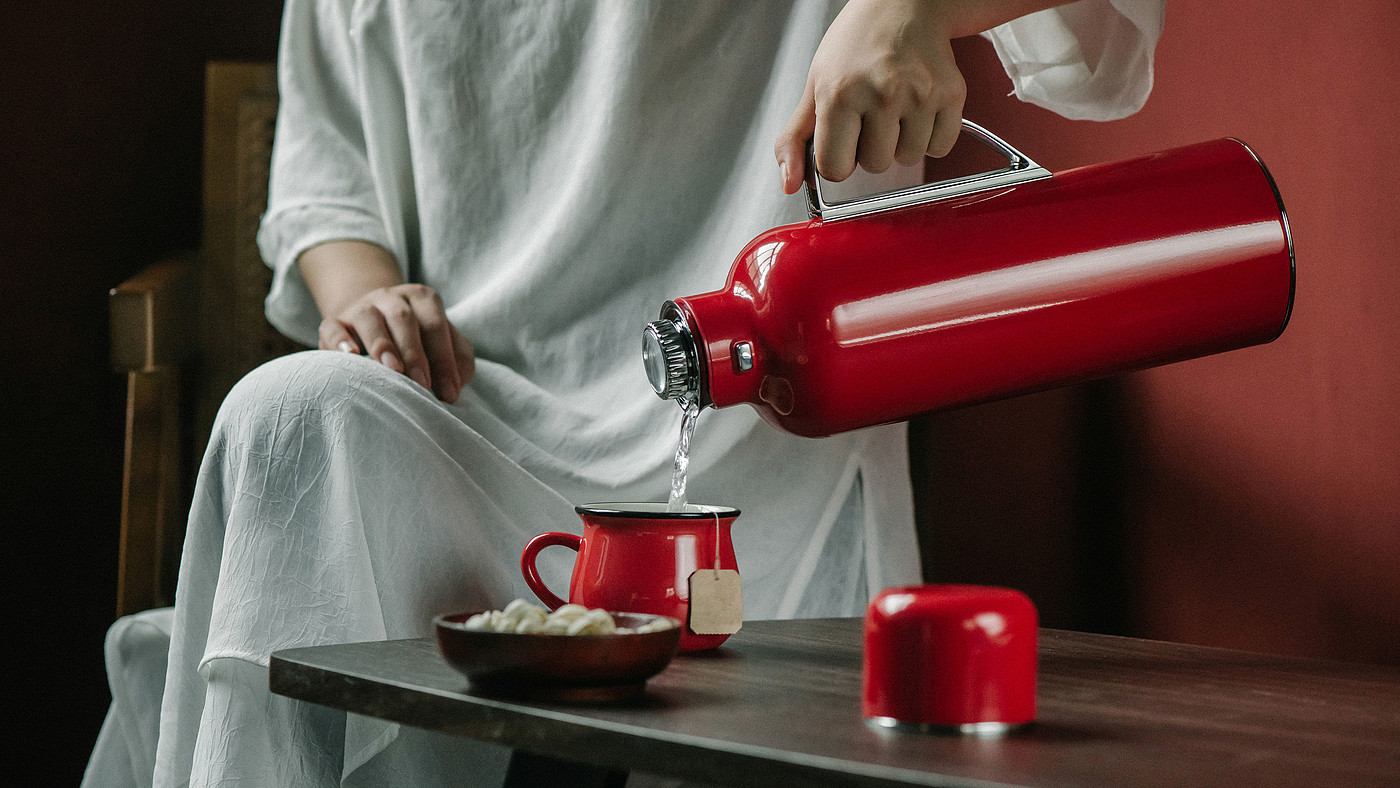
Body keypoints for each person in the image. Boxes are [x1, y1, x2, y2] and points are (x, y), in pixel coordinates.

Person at [84, 1, 1163, 785]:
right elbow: (324, 182)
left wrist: (907, 10)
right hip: (453, 429)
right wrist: (368, 298)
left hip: (756, 463)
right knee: (284, 416)